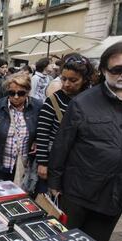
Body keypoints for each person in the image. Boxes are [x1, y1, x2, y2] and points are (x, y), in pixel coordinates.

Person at [48, 42, 122, 241]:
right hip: (78, 194)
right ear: (104, 71)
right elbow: (62, 144)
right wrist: (54, 183)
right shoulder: (83, 103)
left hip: (114, 198)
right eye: (117, 69)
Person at [35, 53, 94, 193]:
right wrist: (42, 163)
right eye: (64, 79)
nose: (67, 84)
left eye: (73, 80)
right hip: (54, 162)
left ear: (85, 80)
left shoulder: (93, 101)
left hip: (81, 165)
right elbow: (43, 133)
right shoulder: (54, 100)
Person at [0, 72, 42, 182]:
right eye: (11, 93)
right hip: (0, 165)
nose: (16, 97)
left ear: (28, 92)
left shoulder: (37, 107)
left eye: (20, 93)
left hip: (25, 166)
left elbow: (42, 130)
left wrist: (36, 140)